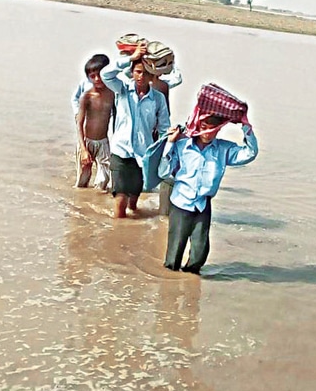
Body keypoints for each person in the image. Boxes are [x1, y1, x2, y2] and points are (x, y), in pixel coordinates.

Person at [158, 112, 258, 274]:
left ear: (219, 130)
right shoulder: (182, 145)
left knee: (200, 252)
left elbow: (249, 153)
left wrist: (246, 127)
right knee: (174, 254)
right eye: (204, 128)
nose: (208, 133)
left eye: (213, 129)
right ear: (197, 126)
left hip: (203, 204)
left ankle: (190, 281)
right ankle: (169, 285)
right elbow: (164, 172)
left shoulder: (223, 149)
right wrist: (170, 143)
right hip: (181, 203)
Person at [100, 45, 170, 218]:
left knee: (134, 198)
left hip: (143, 154)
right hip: (120, 151)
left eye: (145, 73)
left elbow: (164, 127)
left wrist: (166, 150)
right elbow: (105, 75)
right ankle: (118, 234)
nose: (141, 76)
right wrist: (131, 58)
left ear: (152, 76)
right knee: (121, 198)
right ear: (131, 72)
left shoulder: (158, 99)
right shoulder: (122, 90)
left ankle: (133, 213)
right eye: (137, 71)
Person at [75, 54, 115, 191]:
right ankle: (80, 208)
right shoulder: (86, 97)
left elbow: (118, 119)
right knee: (83, 178)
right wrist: (83, 149)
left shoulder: (112, 95)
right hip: (87, 141)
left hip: (103, 142)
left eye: (100, 74)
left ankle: (96, 207)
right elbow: (79, 123)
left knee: (103, 180)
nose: (97, 79)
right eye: (93, 76)